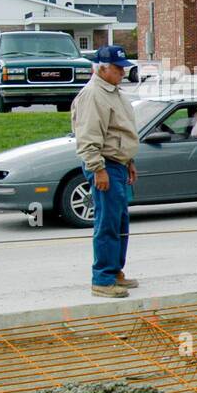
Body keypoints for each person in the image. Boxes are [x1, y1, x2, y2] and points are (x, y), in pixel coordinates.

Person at [71, 45, 140, 298]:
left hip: (118, 165)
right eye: (118, 68)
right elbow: (88, 138)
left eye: (124, 67)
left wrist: (129, 161)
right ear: (101, 68)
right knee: (107, 223)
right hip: (105, 165)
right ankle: (102, 278)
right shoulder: (93, 95)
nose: (123, 72)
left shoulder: (113, 92)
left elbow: (120, 131)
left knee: (120, 223)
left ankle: (114, 272)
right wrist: (98, 169)